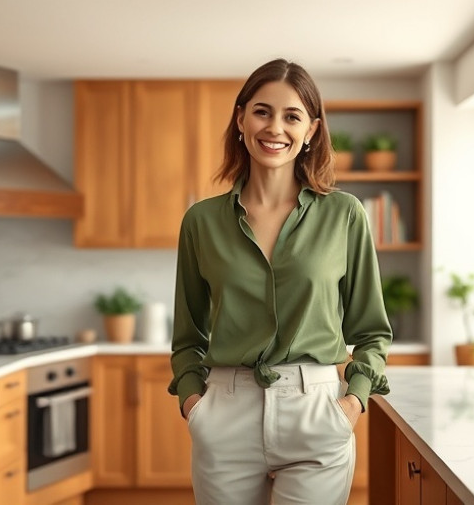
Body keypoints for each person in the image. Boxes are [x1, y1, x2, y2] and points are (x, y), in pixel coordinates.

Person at [168, 58, 393, 505]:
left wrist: (354, 402)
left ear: (311, 130)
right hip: (225, 412)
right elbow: (187, 335)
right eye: (262, 111)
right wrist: (195, 403)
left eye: (292, 116)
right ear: (240, 119)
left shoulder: (344, 215)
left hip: (318, 410)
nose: (275, 128)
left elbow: (371, 330)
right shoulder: (201, 222)